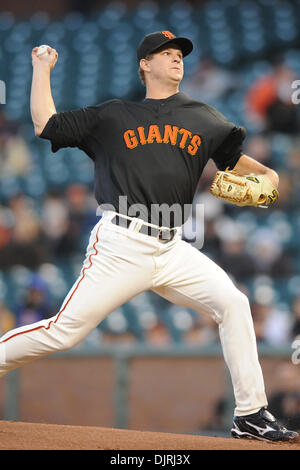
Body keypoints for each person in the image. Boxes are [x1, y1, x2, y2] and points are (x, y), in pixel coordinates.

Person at [0, 31, 297, 442]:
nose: (177, 59)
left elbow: (244, 165)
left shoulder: (203, 117)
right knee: (64, 331)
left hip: (173, 246)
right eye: (167, 53)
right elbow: (44, 124)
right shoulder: (114, 115)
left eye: (180, 54)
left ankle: (250, 413)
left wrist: (270, 177)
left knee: (233, 303)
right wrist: (41, 69)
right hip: (121, 243)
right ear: (145, 64)